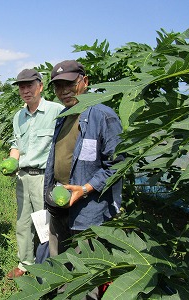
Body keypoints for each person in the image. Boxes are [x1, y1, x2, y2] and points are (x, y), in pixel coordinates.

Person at [43, 60, 123, 294]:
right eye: (58, 86)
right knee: (59, 266)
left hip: (89, 209)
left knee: (85, 272)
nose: (64, 91)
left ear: (84, 82)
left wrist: (85, 188)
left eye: (69, 84)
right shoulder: (63, 115)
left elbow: (118, 165)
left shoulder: (103, 116)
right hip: (60, 203)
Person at [6, 69, 64, 279]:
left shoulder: (56, 111)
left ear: (40, 86)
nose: (25, 90)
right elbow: (16, 144)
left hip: (44, 177)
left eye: (29, 85)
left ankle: (48, 265)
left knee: (46, 223)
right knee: (23, 222)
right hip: (23, 176)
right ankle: (25, 263)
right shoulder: (18, 116)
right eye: (21, 87)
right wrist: (12, 160)